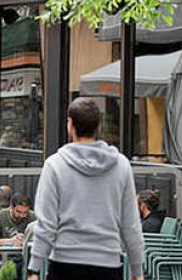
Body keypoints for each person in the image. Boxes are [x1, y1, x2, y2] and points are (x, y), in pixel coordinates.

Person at [27, 98, 145, 280]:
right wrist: (137, 270)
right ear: (99, 126)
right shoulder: (121, 166)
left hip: (65, 264)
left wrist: (34, 268)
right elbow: (130, 224)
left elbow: (47, 224)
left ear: (70, 125)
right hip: (107, 265)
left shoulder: (55, 165)